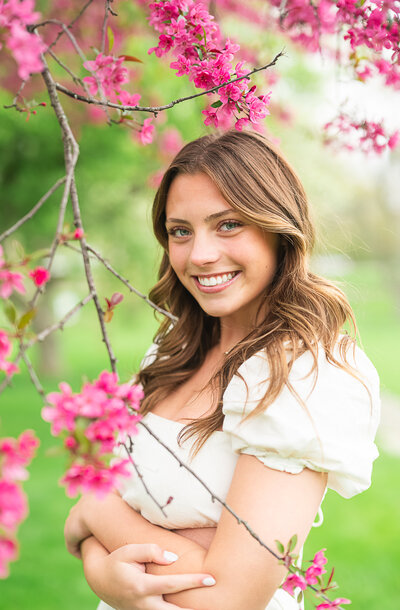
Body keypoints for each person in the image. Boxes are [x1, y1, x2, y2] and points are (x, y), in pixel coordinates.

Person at [64, 129, 380, 610]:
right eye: (180, 231)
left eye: (228, 224)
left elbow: (227, 598)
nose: (200, 255)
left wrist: (95, 511)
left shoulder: (304, 374)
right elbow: (98, 529)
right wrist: (103, 572)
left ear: (277, 227)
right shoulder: (170, 355)